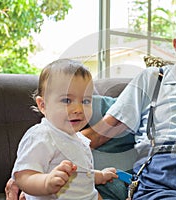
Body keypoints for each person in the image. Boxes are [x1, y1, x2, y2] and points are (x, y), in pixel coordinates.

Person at [6, 7, 176, 200]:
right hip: (162, 175)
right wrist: (29, 174)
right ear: (174, 45)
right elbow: (100, 133)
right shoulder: (150, 80)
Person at [10, 59, 117, 200]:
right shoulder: (41, 136)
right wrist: (46, 182)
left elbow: (83, 174)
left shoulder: (78, 138)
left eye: (85, 101)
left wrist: (101, 176)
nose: (78, 109)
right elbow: (23, 176)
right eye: (67, 100)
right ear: (43, 105)